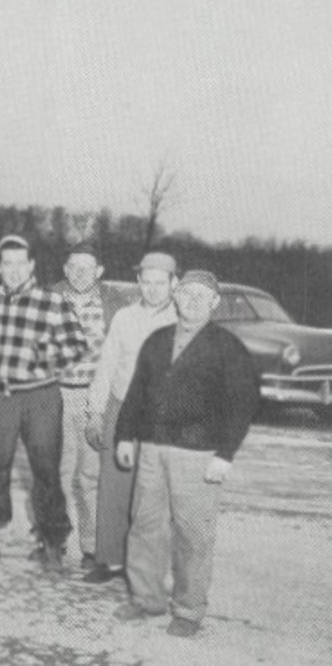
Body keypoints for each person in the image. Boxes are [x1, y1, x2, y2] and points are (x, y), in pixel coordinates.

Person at [112, 270, 259, 637]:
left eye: (202, 296)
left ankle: (189, 611)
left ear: (214, 303)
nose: (192, 301)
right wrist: (125, 436)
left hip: (198, 452)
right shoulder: (157, 340)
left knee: (194, 534)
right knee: (145, 527)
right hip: (151, 447)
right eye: (187, 293)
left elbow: (242, 406)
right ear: (175, 296)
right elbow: (136, 392)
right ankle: (145, 598)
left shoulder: (229, 347)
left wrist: (224, 455)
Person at [0, 235, 88, 573]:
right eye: (7, 264)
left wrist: (37, 358)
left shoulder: (52, 301)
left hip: (41, 397)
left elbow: (75, 346)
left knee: (46, 472)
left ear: (31, 266)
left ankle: (52, 544)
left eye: (21, 263)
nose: (14, 270)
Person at [82, 252, 179, 583]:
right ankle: (109, 560)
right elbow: (107, 366)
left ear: (173, 283)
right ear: (138, 282)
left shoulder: (182, 321)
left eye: (160, 283)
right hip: (120, 407)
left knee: (154, 490)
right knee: (113, 486)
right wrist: (95, 412)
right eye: (146, 282)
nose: (152, 289)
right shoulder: (124, 317)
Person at [42, 242, 125, 568]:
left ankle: (92, 548)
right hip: (56, 395)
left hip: (96, 399)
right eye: (74, 267)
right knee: (55, 475)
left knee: (91, 477)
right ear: (65, 269)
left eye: (87, 268)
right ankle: (53, 543)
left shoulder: (115, 304)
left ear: (100, 272)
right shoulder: (46, 298)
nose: (80, 273)